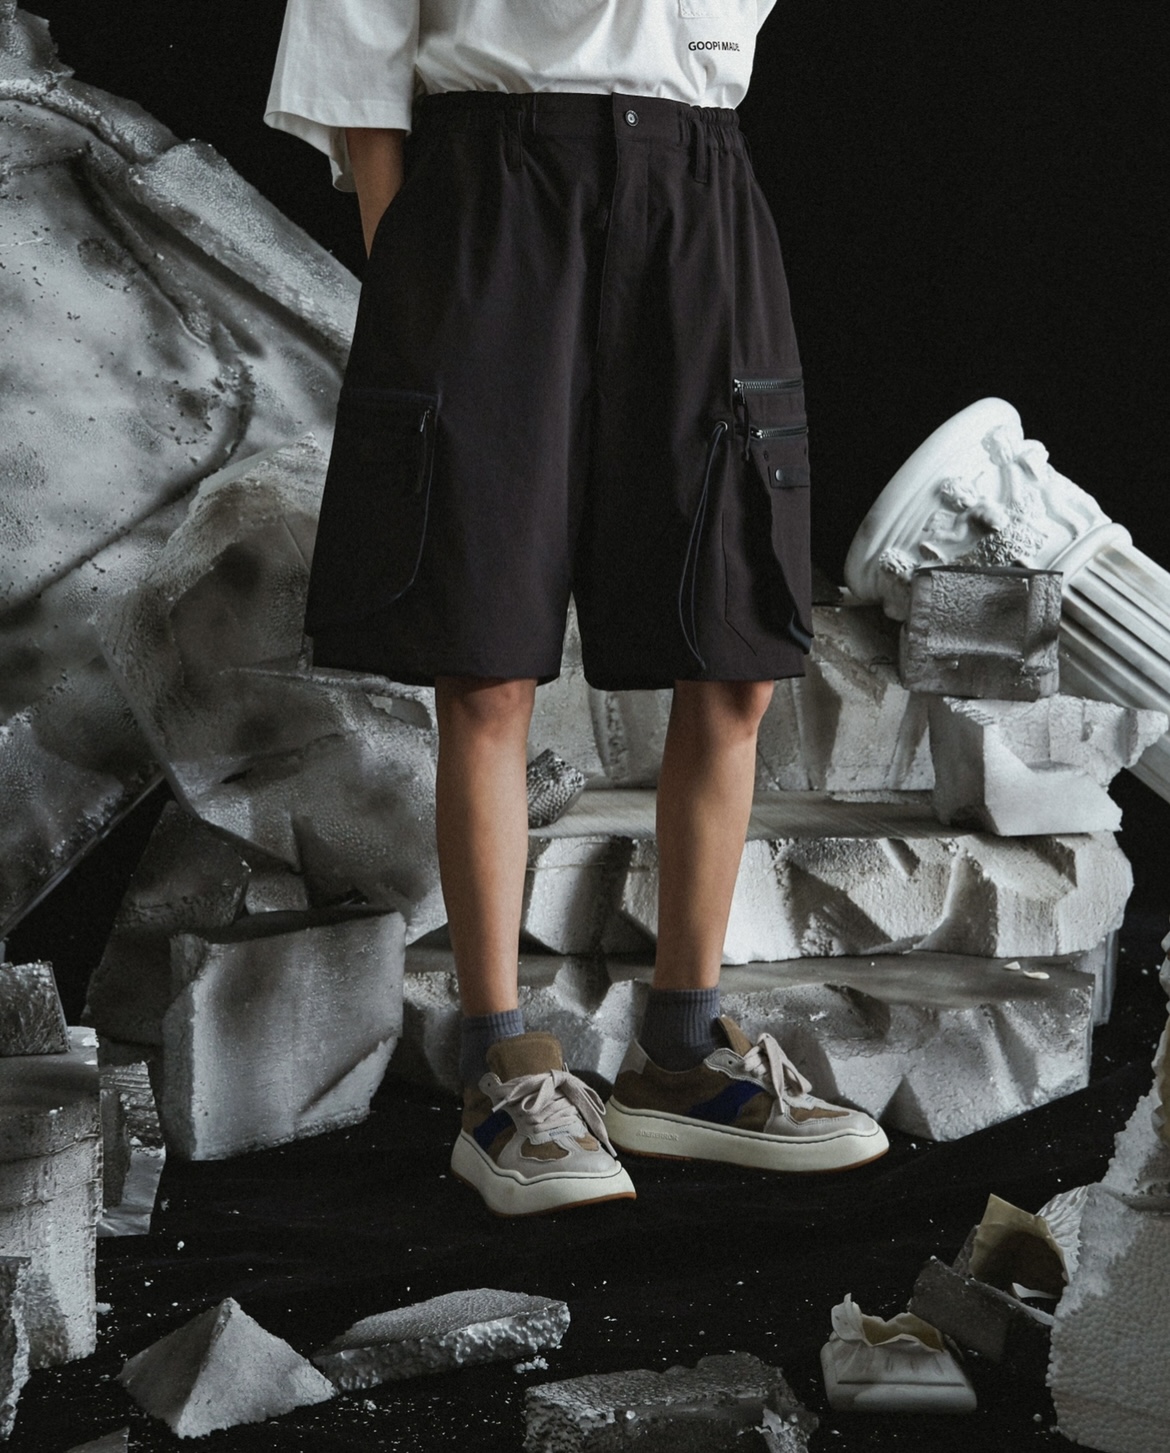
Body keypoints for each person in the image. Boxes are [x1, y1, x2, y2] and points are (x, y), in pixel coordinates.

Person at [266, 1, 888, 1217]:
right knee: (486, 659)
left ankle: (683, 1057)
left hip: (699, 181)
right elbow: (355, 33)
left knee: (734, 646)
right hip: (491, 186)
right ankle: (501, 1070)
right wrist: (414, 261)